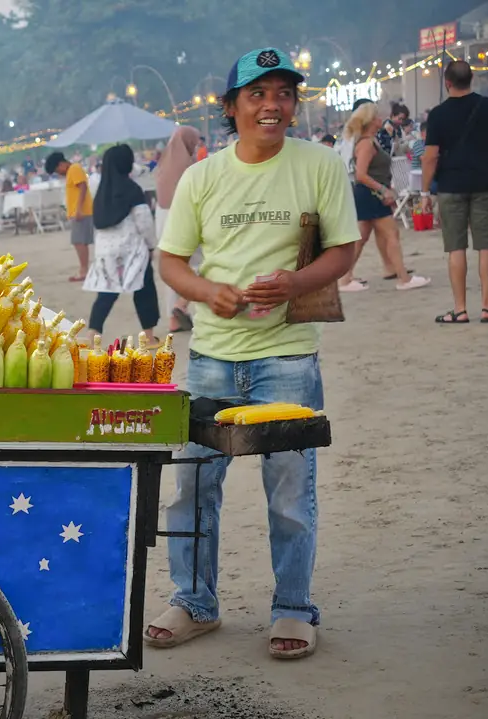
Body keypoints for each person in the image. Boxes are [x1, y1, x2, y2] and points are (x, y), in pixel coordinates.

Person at [153, 47, 361, 660]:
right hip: (212, 358)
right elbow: (172, 261)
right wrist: (205, 292)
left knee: (291, 491)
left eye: (284, 94)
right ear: (231, 107)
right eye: (258, 94)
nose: (273, 105)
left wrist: (295, 283)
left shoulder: (319, 164)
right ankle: (194, 602)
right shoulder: (202, 177)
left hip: (289, 356)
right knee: (192, 484)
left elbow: (344, 249)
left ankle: (293, 607)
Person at [422, 61, 488, 324]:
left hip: (451, 186)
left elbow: (430, 156)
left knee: (456, 247)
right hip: (486, 183)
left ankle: (460, 309)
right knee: (487, 245)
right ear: (471, 79)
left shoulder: (438, 114)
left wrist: (425, 192)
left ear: (447, 82)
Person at [342, 103, 430, 292]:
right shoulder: (366, 144)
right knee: (391, 234)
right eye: (378, 116)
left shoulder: (369, 141)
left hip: (370, 194)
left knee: (363, 238)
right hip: (371, 194)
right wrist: (383, 189)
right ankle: (403, 278)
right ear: (371, 120)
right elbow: (361, 175)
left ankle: (346, 278)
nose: (381, 119)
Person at [83, 144, 160, 344]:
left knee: (106, 294)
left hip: (107, 252)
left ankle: (92, 335)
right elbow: (144, 222)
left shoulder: (101, 192)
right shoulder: (132, 189)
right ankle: (148, 337)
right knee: (144, 291)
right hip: (133, 250)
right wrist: (151, 246)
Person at [154, 126, 202, 333]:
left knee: (173, 269)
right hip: (185, 219)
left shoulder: (162, 168)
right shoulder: (191, 169)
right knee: (204, 264)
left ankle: (173, 319)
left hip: (163, 222)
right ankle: (181, 304)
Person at [44, 151, 94, 283]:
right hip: (78, 211)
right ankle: (84, 269)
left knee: (79, 242)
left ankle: (84, 270)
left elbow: (82, 187)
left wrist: (79, 209)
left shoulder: (74, 169)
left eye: (57, 170)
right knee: (79, 242)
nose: (59, 173)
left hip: (81, 211)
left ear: (61, 164)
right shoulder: (72, 170)